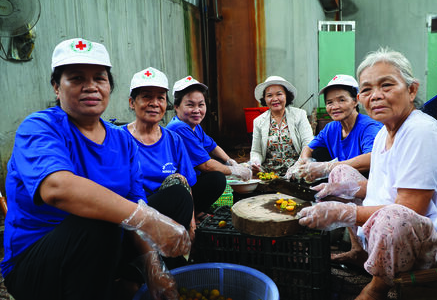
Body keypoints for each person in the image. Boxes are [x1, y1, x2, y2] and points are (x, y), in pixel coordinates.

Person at [0, 38, 190, 300]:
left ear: (109, 87)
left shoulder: (122, 140)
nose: (90, 87)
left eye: (99, 78)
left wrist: (152, 265)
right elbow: (57, 188)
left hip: (103, 248)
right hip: (39, 263)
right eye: (76, 78)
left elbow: (136, 201)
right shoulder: (41, 127)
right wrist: (147, 219)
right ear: (57, 87)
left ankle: (130, 283)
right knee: (102, 220)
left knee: (175, 196)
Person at [297, 47, 437, 300]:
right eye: (367, 89)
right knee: (342, 173)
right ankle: (362, 254)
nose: (376, 96)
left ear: (411, 90)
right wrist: (341, 189)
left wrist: (343, 211)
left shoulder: (420, 131)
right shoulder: (383, 134)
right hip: (396, 221)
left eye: (387, 85)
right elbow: (383, 186)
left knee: (393, 217)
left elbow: (410, 209)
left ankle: (377, 286)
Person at [123, 66, 197, 252]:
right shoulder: (119, 138)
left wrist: (192, 222)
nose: (154, 103)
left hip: (168, 205)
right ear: (132, 102)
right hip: (134, 210)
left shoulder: (173, 139)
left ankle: (174, 252)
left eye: (160, 98)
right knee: (178, 192)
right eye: (147, 96)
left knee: (181, 186)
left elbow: (187, 185)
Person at [166, 76, 251, 222]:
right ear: (176, 106)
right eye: (190, 105)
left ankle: (197, 210)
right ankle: (193, 212)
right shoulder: (179, 128)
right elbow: (205, 165)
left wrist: (231, 161)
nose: (197, 110)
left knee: (217, 174)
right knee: (216, 179)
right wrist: (235, 171)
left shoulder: (193, 126)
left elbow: (212, 146)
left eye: (201, 104)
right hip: (179, 188)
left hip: (189, 181)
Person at [295, 74, 383, 181]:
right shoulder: (331, 128)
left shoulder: (369, 127)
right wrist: (306, 164)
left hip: (368, 185)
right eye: (329, 102)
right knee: (318, 153)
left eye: (342, 100)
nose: (335, 107)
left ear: (355, 101)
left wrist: (328, 167)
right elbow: (308, 148)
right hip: (343, 181)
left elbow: (373, 158)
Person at [250, 76, 314, 177]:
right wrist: (255, 162)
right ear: (265, 99)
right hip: (269, 174)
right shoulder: (258, 121)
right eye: (269, 95)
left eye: (279, 94)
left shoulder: (299, 115)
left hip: (297, 171)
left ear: (286, 96)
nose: (275, 99)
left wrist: (297, 166)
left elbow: (309, 144)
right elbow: (256, 151)